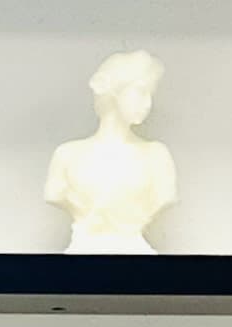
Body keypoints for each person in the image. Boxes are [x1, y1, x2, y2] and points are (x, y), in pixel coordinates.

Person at [41, 50, 177, 253]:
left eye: (151, 93)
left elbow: (165, 197)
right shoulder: (67, 155)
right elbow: (54, 194)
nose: (148, 102)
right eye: (140, 91)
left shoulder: (156, 156)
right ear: (114, 92)